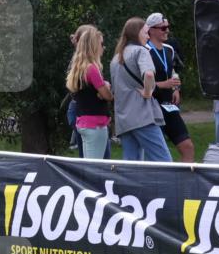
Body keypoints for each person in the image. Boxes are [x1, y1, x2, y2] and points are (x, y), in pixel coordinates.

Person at [109, 17, 172, 162]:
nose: (148, 36)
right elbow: (149, 74)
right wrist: (147, 92)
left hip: (124, 119)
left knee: (132, 164)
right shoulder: (141, 51)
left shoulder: (116, 58)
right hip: (142, 116)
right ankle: (169, 185)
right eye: (145, 32)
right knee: (164, 161)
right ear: (136, 33)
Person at [145, 12, 194, 162]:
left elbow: (173, 70)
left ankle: (183, 184)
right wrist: (163, 85)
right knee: (157, 155)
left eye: (168, 27)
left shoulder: (169, 49)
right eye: (163, 28)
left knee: (188, 146)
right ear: (151, 30)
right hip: (151, 106)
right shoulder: (144, 50)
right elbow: (140, 83)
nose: (167, 30)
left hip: (169, 105)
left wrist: (175, 88)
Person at [65, 24, 113, 159]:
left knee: (88, 164)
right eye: (101, 43)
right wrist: (106, 87)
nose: (103, 47)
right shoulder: (92, 69)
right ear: (93, 45)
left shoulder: (79, 67)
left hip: (84, 121)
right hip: (95, 124)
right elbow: (107, 96)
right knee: (96, 167)